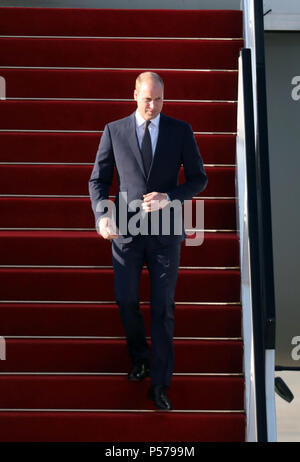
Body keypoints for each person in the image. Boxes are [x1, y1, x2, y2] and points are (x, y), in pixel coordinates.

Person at [89, 72, 207, 410]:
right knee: (126, 300)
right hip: (125, 232)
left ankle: (160, 384)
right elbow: (99, 180)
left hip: (166, 233)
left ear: (164, 98)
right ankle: (139, 357)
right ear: (135, 95)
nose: (152, 105)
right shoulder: (114, 130)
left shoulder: (180, 130)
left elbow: (199, 178)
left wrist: (171, 196)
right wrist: (102, 216)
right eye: (146, 99)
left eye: (158, 99)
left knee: (162, 308)